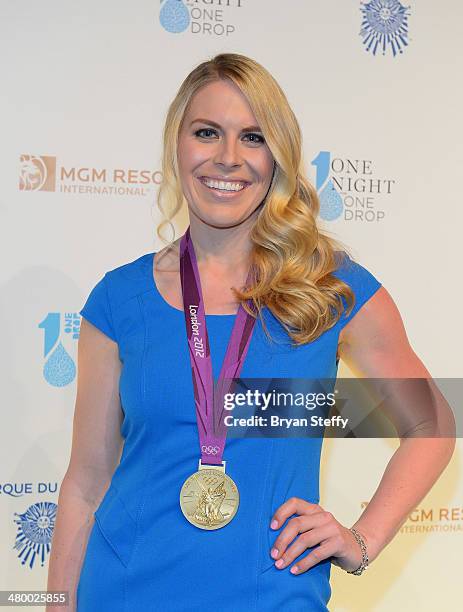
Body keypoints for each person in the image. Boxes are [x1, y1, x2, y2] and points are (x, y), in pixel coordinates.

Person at [47, 53, 455, 611]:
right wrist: (55, 603)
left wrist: (362, 539)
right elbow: (85, 482)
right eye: (207, 132)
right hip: (123, 592)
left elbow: (432, 420)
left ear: (278, 157)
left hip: (274, 596)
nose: (228, 158)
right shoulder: (119, 300)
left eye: (254, 137)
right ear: (177, 145)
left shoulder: (332, 288)